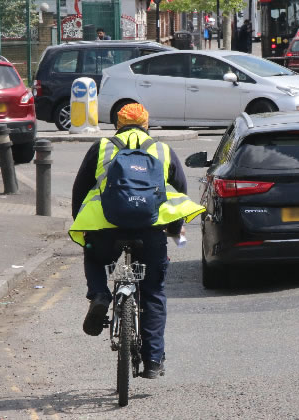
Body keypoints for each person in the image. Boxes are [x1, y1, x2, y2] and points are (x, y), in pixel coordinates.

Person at [69, 103, 205, 379]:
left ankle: (99, 294)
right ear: (147, 124)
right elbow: (179, 192)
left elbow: (80, 190)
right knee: (153, 292)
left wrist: (83, 225)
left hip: (106, 226)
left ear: (118, 124)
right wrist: (175, 228)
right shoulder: (162, 149)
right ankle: (153, 361)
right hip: (149, 228)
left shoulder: (102, 148)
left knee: (94, 257)